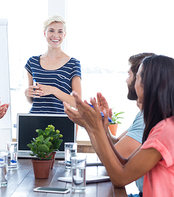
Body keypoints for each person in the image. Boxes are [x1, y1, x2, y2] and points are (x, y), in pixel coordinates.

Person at [65, 55, 174, 196]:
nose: (134, 84)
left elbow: (120, 178)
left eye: (138, 78)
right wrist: (93, 127)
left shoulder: (164, 132)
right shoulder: (162, 125)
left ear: (148, 86)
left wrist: (95, 127)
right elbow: (124, 163)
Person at [24, 15, 81, 114]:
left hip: (60, 122)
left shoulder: (73, 64)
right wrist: (27, 93)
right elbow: (32, 100)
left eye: (60, 31)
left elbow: (78, 104)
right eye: (51, 30)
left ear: (64, 35)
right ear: (44, 33)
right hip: (35, 119)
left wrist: (54, 90)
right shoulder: (32, 62)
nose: (55, 35)